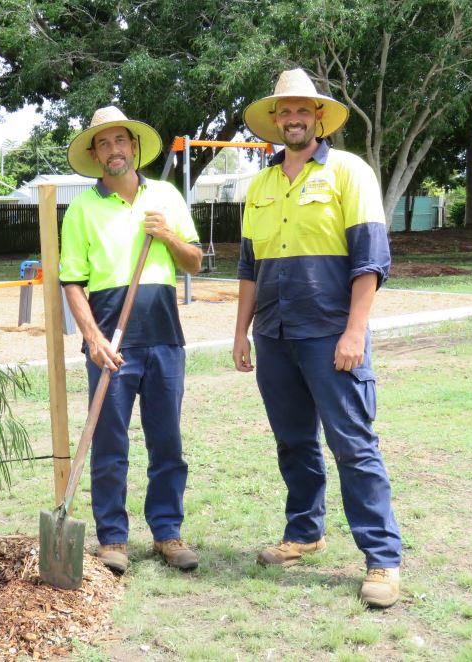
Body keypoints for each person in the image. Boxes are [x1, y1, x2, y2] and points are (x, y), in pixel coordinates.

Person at [232, 69, 402, 608]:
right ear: (275, 122)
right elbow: (248, 268)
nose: (293, 119)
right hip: (275, 335)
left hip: (331, 336)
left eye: (302, 110)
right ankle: (304, 532)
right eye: (284, 112)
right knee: (295, 443)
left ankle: (381, 559)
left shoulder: (350, 173)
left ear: (320, 118)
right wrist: (240, 331)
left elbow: (371, 261)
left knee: (352, 444)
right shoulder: (259, 185)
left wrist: (355, 331)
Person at [59, 106, 204, 573]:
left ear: (134, 148)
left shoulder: (164, 197)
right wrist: (92, 338)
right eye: (103, 143)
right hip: (110, 344)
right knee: (109, 443)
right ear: (95, 153)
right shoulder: (82, 209)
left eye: (120, 141)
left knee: (167, 442)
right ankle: (113, 539)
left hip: (164, 338)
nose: (113, 149)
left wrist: (167, 237)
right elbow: (72, 281)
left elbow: (195, 262)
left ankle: (167, 533)